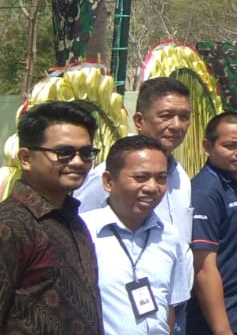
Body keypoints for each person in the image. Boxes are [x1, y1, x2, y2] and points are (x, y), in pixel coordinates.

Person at [0, 101, 102, 335]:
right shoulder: (8, 225)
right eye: (64, 153)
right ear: (25, 158)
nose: (78, 162)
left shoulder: (73, 221)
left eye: (86, 153)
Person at [82, 135, 193, 335]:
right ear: (108, 181)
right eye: (140, 177)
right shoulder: (82, 234)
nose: (152, 187)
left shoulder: (169, 237)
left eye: (161, 178)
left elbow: (169, 307)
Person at [77, 77, 194, 233]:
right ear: (139, 121)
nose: (176, 125)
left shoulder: (181, 177)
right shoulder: (111, 173)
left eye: (184, 117)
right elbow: (79, 229)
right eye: (166, 116)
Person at [186, 112, 237, 335]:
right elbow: (203, 268)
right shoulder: (206, 192)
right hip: (226, 323)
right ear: (207, 147)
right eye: (231, 145)